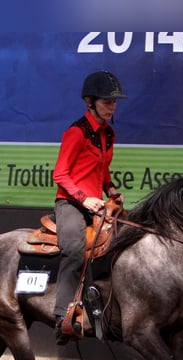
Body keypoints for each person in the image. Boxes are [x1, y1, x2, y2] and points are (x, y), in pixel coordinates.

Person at [52, 70, 126, 344]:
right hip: (71, 203)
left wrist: (111, 190)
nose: (112, 106)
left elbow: (103, 171)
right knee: (73, 250)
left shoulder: (109, 134)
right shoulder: (76, 132)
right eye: (107, 101)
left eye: (115, 102)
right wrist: (84, 199)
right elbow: (60, 174)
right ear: (90, 101)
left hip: (96, 204)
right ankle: (62, 317)